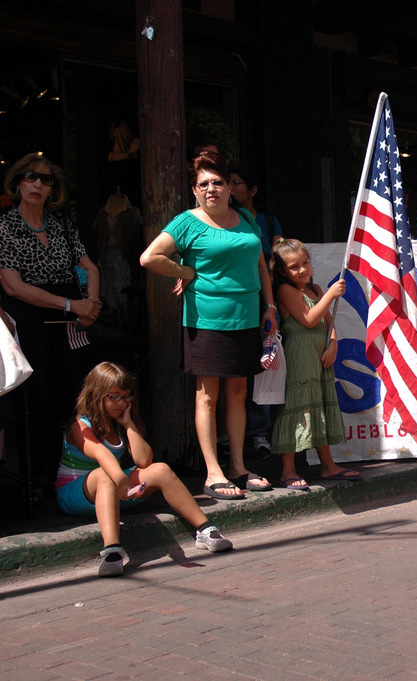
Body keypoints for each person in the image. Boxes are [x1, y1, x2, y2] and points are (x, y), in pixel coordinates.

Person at [140, 152, 278, 500]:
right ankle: (213, 472)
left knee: (239, 393)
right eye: (204, 184)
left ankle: (239, 467)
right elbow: (150, 257)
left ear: (231, 188)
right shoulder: (187, 222)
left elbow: (260, 261)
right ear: (195, 191)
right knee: (208, 394)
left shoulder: (245, 217)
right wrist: (187, 272)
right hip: (207, 321)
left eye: (218, 182)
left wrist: (271, 305)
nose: (212, 189)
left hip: (247, 318)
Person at [56, 362, 232, 577]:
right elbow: (102, 455)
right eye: (114, 397)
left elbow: (144, 460)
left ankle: (205, 530)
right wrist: (123, 482)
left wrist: (129, 424)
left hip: (116, 488)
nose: (122, 403)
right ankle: (112, 551)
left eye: (126, 397)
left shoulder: (120, 422)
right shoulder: (80, 426)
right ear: (97, 395)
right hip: (76, 493)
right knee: (105, 475)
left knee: (161, 469)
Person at [0, 153, 102, 491]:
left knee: (78, 391)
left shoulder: (60, 223)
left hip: (73, 319)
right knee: (37, 399)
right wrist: (73, 304)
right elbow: (13, 286)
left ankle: (81, 470)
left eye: (46, 180)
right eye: (31, 177)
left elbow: (89, 266)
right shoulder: (5, 225)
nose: (38, 184)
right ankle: (39, 478)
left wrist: (93, 304)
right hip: (31, 320)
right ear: (17, 183)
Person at [269, 239, 360, 488]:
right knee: (298, 407)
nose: (302, 270)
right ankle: (288, 470)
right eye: (294, 267)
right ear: (282, 271)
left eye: (305, 263)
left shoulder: (317, 290)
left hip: (320, 357)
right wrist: (331, 294)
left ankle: (328, 466)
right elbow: (309, 318)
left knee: (319, 405)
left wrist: (333, 345)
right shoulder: (286, 291)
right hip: (299, 356)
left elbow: (328, 324)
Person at [229, 167, 285, 460]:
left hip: (266, 301)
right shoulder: (222, 220)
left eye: (236, 183)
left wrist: (272, 303)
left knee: (266, 364)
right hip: (236, 305)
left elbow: (280, 259)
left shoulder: (268, 221)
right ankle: (234, 434)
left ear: (252, 190)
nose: (229, 187)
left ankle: (261, 432)